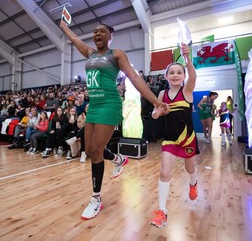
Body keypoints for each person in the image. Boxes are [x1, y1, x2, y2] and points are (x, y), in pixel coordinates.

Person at [60, 20, 166, 220]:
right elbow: (74, 39)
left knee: (97, 152)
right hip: (94, 107)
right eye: (95, 31)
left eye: (102, 31)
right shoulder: (90, 53)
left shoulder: (116, 54)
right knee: (90, 150)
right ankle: (118, 159)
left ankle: (96, 198)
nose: (97, 34)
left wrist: (155, 102)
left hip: (110, 105)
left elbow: (134, 77)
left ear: (110, 36)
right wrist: (64, 27)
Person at [150, 43, 198, 228]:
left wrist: (187, 59)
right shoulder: (162, 93)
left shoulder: (187, 91)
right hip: (169, 139)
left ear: (183, 76)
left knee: (190, 169)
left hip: (187, 138)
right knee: (164, 172)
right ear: (166, 76)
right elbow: (154, 115)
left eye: (179, 72)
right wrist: (158, 111)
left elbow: (193, 76)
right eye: (172, 73)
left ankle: (193, 184)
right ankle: (162, 211)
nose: (176, 75)